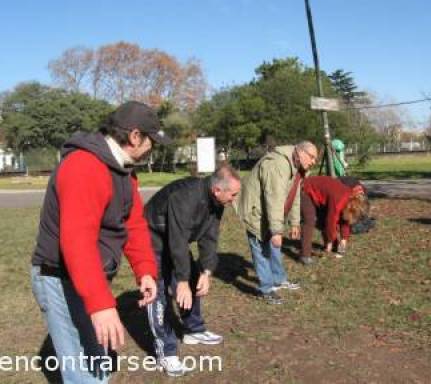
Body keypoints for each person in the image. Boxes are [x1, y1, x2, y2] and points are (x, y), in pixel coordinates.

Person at [31, 101, 171, 383]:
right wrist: (101, 305)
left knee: (96, 362)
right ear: (134, 136)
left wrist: (144, 269)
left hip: (84, 275)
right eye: (151, 141)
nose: (152, 148)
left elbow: (132, 223)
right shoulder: (84, 166)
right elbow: (77, 242)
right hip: (59, 276)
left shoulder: (123, 170)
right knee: (85, 371)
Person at [144, 165, 241, 377]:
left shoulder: (217, 201)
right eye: (233, 194)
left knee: (194, 277)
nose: (234, 199)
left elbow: (210, 237)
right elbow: (177, 239)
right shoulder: (185, 197)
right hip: (151, 240)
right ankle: (166, 352)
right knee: (157, 293)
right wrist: (181, 281)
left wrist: (207, 271)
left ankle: (193, 330)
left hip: (174, 241)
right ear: (217, 190)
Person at [237, 141, 318, 304]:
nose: (314, 162)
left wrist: (295, 222)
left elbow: (294, 195)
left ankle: (278, 279)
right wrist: (276, 231)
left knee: (274, 247)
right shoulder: (278, 165)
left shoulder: (296, 167)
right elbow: (274, 198)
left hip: (270, 211)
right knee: (260, 248)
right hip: (255, 210)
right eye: (312, 157)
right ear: (301, 152)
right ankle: (266, 289)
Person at [299, 176, 369, 265]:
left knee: (328, 224)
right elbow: (330, 221)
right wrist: (330, 240)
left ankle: (333, 246)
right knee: (309, 219)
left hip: (321, 193)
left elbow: (345, 221)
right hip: (306, 188)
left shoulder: (348, 200)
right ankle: (305, 255)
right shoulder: (339, 201)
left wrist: (344, 238)